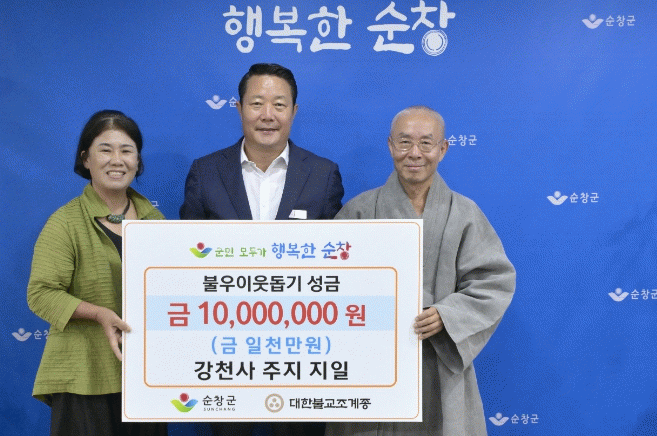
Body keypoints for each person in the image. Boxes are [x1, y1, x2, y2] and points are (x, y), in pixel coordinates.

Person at [325, 106, 516, 436]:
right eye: (404, 142)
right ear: (390, 146)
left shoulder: (464, 213)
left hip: (438, 358)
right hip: (372, 364)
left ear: (443, 149)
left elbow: (493, 280)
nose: (414, 153)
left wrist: (447, 315)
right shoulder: (359, 210)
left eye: (426, 143)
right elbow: (329, 280)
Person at [180, 63, 344, 436]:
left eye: (279, 104)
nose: (267, 115)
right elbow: (186, 262)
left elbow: (337, 264)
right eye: (257, 103)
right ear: (239, 108)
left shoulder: (323, 174)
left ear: (294, 111)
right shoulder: (205, 173)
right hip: (225, 346)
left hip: (302, 348)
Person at [27, 110, 167, 436]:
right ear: (86, 159)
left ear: (137, 161)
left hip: (144, 375)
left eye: (127, 150)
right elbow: (41, 294)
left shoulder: (156, 222)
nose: (117, 160)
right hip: (83, 376)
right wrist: (98, 313)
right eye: (105, 150)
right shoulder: (65, 222)